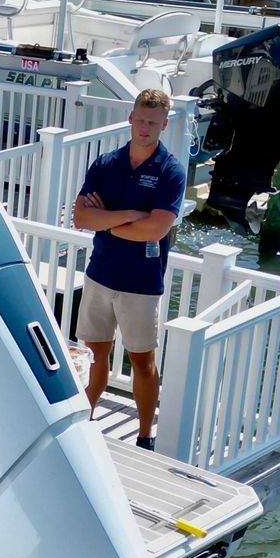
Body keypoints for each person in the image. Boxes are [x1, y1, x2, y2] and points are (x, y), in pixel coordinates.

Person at [70, 88, 186, 451]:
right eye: (141, 119)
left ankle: (145, 433)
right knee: (95, 353)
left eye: (154, 122)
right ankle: (85, 418)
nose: (145, 127)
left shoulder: (171, 172)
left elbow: (156, 229)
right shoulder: (105, 164)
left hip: (141, 282)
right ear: (130, 119)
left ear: (164, 125)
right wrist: (129, 217)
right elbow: (80, 217)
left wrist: (105, 221)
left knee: (142, 360)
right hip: (100, 274)